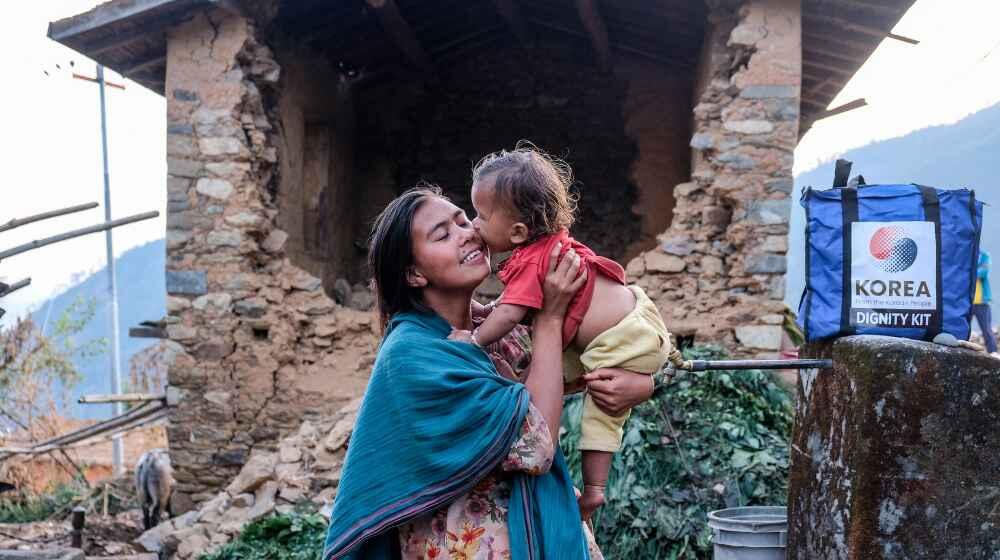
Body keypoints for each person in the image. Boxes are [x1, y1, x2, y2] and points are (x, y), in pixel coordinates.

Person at [322, 187, 654, 560]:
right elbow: (537, 444)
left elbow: (604, 352)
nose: (465, 233)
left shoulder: (495, 332)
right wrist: (550, 318)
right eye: (443, 234)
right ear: (414, 273)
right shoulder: (414, 354)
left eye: (463, 220)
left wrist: (646, 384)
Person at [447, 143, 674, 520]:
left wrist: (474, 339)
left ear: (518, 232)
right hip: (635, 315)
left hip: (620, 340)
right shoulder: (547, 246)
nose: (473, 224)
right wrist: (490, 312)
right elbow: (514, 310)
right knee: (540, 378)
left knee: (601, 413)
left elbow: (510, 314)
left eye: (479, 216)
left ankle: (596, 489)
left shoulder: (532, 261)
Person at [973, 249, 997, 354]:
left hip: (981, 302)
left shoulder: (984, 255)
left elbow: (983, 272)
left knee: (986, 330)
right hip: (967, 302)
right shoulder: (967, 254)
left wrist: (970, 271)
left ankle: (993, 352)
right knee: (963, 328)